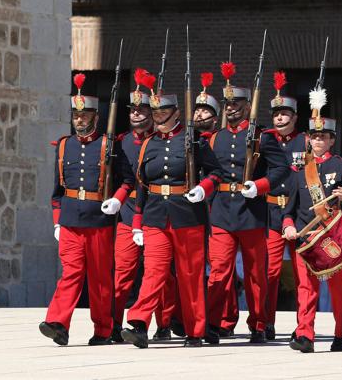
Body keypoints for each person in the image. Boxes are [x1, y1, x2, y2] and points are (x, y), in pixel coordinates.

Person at [121, 86, 224, 348]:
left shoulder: (195, 140)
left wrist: (203, 189)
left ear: (176, 113)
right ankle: (139, 323)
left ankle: (195, 330)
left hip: (188, 215)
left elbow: (216, 173)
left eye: (164, 112)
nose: (158, 117)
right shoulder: (148, 144)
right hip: (156, 216)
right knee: (154, 271)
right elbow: (141, 184)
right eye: (155, 112)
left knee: (190, 275)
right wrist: (137, 224)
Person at [39, 73, 131, 346]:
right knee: (71, 273)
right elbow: (57, 189)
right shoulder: (64, 145)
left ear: (95, 117)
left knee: (100, 279)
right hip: (69, 219)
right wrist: (57, 221)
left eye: (85, 115)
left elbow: (127, 180)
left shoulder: (108, 145)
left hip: (98, 218)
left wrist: (117, 200)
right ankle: (58, 322)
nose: (79, 119)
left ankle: (103, 329)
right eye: (76, 115)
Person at [204, 64, 288, 345]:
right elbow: (208, 172)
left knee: (255, 273)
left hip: (251, 211)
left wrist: (260, 186)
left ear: (247, 105)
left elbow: (281, 169)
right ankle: (213, 323)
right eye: (227, 104)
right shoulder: (216, 137)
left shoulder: (262, 136)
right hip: (222, 211)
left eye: (236, 104)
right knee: (219, 271)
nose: (230, 109)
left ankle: (259, 323)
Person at [282, 85, 342, 353]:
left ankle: (341, 334)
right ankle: (306, 335)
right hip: (306, 237)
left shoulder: (341, 166)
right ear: (308, 139)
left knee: (338, 288)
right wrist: (289, 226)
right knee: (305, 288)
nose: (318, 141)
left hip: (332, 235)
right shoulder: (298, 170)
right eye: (314, 137)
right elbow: (289, 209)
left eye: (324, 137)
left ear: (331, 140)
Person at [106, 68, 180, 343]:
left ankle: (163, 323)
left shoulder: (160, 141)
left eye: (142, 110)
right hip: (128, 213)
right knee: (123, 272)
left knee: (158, 274)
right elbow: (122, 179)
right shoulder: (121, 142)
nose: (136, 114)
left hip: (155, 213)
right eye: (132, 110)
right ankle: (114, 325)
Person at [194, 71, 240, 337]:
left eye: (205, 111)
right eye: (197, 110)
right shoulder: (190, 140)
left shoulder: (219, 139)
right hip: (192, 207)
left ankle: (224, 317)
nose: (199, 115)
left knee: (220, 267)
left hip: (217, 206)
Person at [264, 71, 306, 341]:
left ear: (294, 118)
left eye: (284, 114)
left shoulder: (306, 141)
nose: (279, 118)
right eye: (276, 114)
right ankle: (265, 322)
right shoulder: (265, 140)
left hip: (298, 213)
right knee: (270, 271)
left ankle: (303, 325)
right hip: (271, 211)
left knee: (303, 272)